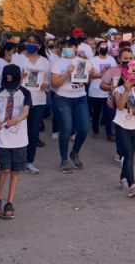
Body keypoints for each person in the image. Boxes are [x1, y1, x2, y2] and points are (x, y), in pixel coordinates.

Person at [0, 65, 31, 219]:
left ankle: (10, 202)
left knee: (15, 171)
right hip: (3, 138)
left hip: (19, 139)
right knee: (4, 169)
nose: (10, 88)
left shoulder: (25, 92)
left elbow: (26, 111)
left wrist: (17, 120)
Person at [51, 37, 91, 173]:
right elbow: (54, 84)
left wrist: (91, 74)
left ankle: (74, 153)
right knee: (66, 130)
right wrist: (67, 73)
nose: (67, 49)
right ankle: (64, 159)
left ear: (76, 47)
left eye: (70, 46)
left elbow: (88, 80)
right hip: (63, 98)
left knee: (84, 129)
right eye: (65, 46)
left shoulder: (83, 62)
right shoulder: (58, 63)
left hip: (80, 98)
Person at [12, 34, 51, 175]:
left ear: (39, 46)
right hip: (20, 99)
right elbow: (10, 77)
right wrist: (18, 78)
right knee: (17, 130)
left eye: (34, 42)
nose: (31, 44)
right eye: (29, 41)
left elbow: (48, 80)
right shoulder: (18, 58)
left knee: (33, 132)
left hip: (38, 100)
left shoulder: (45, 62)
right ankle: (16, 160)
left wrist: (46, 84)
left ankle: (29, 161)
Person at [113, 62, 135, 197]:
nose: (131, 80)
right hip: (121, 125)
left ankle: (123, 178)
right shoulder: (118, 90)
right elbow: (120, 106)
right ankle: (132, 185)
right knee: (128, 155)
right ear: (123, 77)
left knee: (130, 155)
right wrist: (126, 90)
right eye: (128, 77)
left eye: (133, 77)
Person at [88, 40, 117, 140]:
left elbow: (115, 73)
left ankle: (109, 133)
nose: (104, 49)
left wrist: (108, 77)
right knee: (96, 112)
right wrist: (103, 74)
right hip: (95, 91)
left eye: (106, 47)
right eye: (102, 47)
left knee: (109, 113)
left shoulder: (112, 59)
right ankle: (95, 131)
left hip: (108, 91)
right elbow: (90, 75)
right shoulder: (92, 60)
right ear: (98, 49)